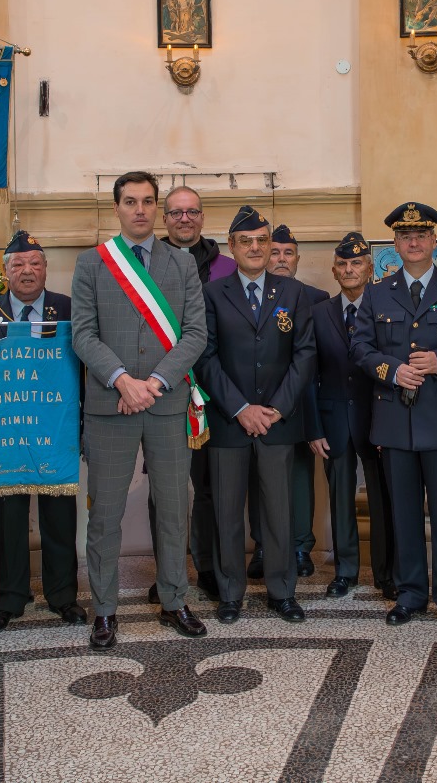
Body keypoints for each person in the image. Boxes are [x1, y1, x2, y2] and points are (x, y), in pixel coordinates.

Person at [72, 170, 209, 648]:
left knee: (173, 509)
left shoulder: (181, 264)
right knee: (105, 514)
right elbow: (83, 334)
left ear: (158, 208)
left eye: (148, 202)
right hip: (112, 405)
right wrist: (123, 381)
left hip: (167, 402)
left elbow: (195, 333)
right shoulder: (93, 263)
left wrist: (153, 382)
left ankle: (174, 598)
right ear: (116, 208)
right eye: (130, 202)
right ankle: (105, 610)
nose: (140, 210)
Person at [351, 202, 437, 631]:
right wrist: (392, 370)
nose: (414, 242)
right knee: (403, 514)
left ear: (434, 242)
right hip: (395, 420)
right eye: (405, 236)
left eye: (422, 235)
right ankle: (409, 594)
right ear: (394, 243)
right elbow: (361, 349)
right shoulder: (376, 291)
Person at [197, 207, 317, 624]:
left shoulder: (293, 293)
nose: (254, 247)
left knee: (278, 512)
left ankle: (282, 590)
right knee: (227, 512)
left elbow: (305, 355)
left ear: (269, 247)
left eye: (261, 241)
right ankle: (231, 593)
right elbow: (206, 357)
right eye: (245, 241)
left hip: (278, 421)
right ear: (231, 247)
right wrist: (241, 408)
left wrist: (276, 408)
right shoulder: (212, 294)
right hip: (230, 422)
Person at [0, 230, 86, 629]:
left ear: (45, 269)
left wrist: (85, 427)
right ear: (5, 271)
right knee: (7, 517)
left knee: (59, 516)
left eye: (35, 264)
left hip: (55, 430)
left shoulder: (69, 310)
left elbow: (87, 370)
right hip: (3, 432)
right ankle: (9, 597)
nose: (27, 271)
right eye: (18, 265)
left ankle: (63, 596)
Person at [158, 184, 235, 600]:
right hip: (164, 394)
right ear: (164, 219)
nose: (184, 219)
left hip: (214, 396)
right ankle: (166, 572)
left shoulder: (226, 268)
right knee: (164, 492)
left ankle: (207, 567)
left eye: (191, 212)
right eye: (175, 212)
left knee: (209, 489)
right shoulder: (145, 266)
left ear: (202, 218)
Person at [310, 232, 393, 599]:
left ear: (369, 268)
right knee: (340, 498)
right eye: (342, 264)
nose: (349, 269)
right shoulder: (318, 314)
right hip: (333, 421)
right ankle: (345, 571)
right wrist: (313, 427)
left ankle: (385, 571)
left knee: (382, 498)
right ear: (334, 270)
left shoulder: (387, 307)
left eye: (356, 263)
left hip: (377, 419)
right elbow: (307, 374)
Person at [261, 223, 327, 580]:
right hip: (258, 407)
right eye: (275, 252)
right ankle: (263, 546)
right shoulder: (247, 295)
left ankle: (301, 546)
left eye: (288, 253)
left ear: (298, 259)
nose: (281, 259)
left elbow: (316, 359)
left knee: (300, 479)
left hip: (300, 403)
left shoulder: (315, 298)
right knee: (259, 480)